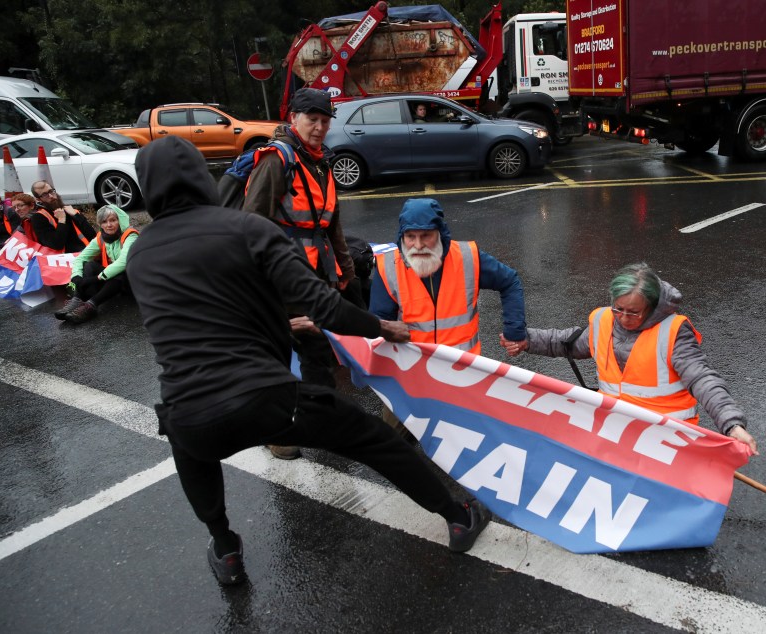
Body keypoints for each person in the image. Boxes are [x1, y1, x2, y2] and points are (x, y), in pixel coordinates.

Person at [125, 136, 491, 586]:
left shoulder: (140, 252)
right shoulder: (247, 229)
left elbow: (201, 320)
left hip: (188, 411)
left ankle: (226, 549)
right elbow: (323, 304)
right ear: (203, 178)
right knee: (373, 437)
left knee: (191, 449)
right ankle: (457, 516)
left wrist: (278, 325)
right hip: (266, 397)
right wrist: (382, 327)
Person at [502, 262, 758, 454]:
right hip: (615, 434)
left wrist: (731, 424)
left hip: (665, 440)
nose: (623, 318)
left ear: (653, 307)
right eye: (618, 309)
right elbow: (569, 343)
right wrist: (528, 340)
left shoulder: (673, 333)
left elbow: (703, 379)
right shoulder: (604, 320)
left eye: (633, 312)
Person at [242, 87, 360, 461]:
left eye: (325, 121)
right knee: (277, 354)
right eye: (313, 119)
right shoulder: (276, 161)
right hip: (280, 278)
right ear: (294, 118)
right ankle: (275, 432)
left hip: (313, 275)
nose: (320, 127)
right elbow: (252, 223)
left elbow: (331, 222)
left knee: (317, 349)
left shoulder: (320, 161)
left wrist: (346, 269)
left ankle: (320, 419)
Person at [369, 198, 528, 436]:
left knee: (468, 440)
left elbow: (509, 281)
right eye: (410, 237)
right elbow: (376, 323)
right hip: (410, 375)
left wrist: (515, 331)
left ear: (440, 233)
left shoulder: (467, 257)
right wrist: (386, 330)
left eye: (426, 236)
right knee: (393, 441)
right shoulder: (387, 267)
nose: (418, 245)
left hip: (463, 375)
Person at [55, 204, 138, 324]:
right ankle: (77, 299)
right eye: (104, 222)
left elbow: (123, 262)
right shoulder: (101, 237)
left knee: (119, 272)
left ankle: (91, 305)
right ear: (100, 224)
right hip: (113, 281)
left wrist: (98, 278)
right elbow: (81, 258)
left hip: (132, 281)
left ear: (120, 220)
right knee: (89, 265)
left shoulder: (130, 235)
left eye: (113, 220)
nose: (108, 225)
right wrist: (76, 277)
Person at [29, 180, 96, 253]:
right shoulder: (38, 218)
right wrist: (61, 220)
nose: (51, 196)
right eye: (45, 195)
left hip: (87, 252)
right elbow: (56, 245)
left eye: (51, 191)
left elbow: (93, 235)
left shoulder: (69, 210)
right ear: (39, 199)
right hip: (65, 259)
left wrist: (77, 216)